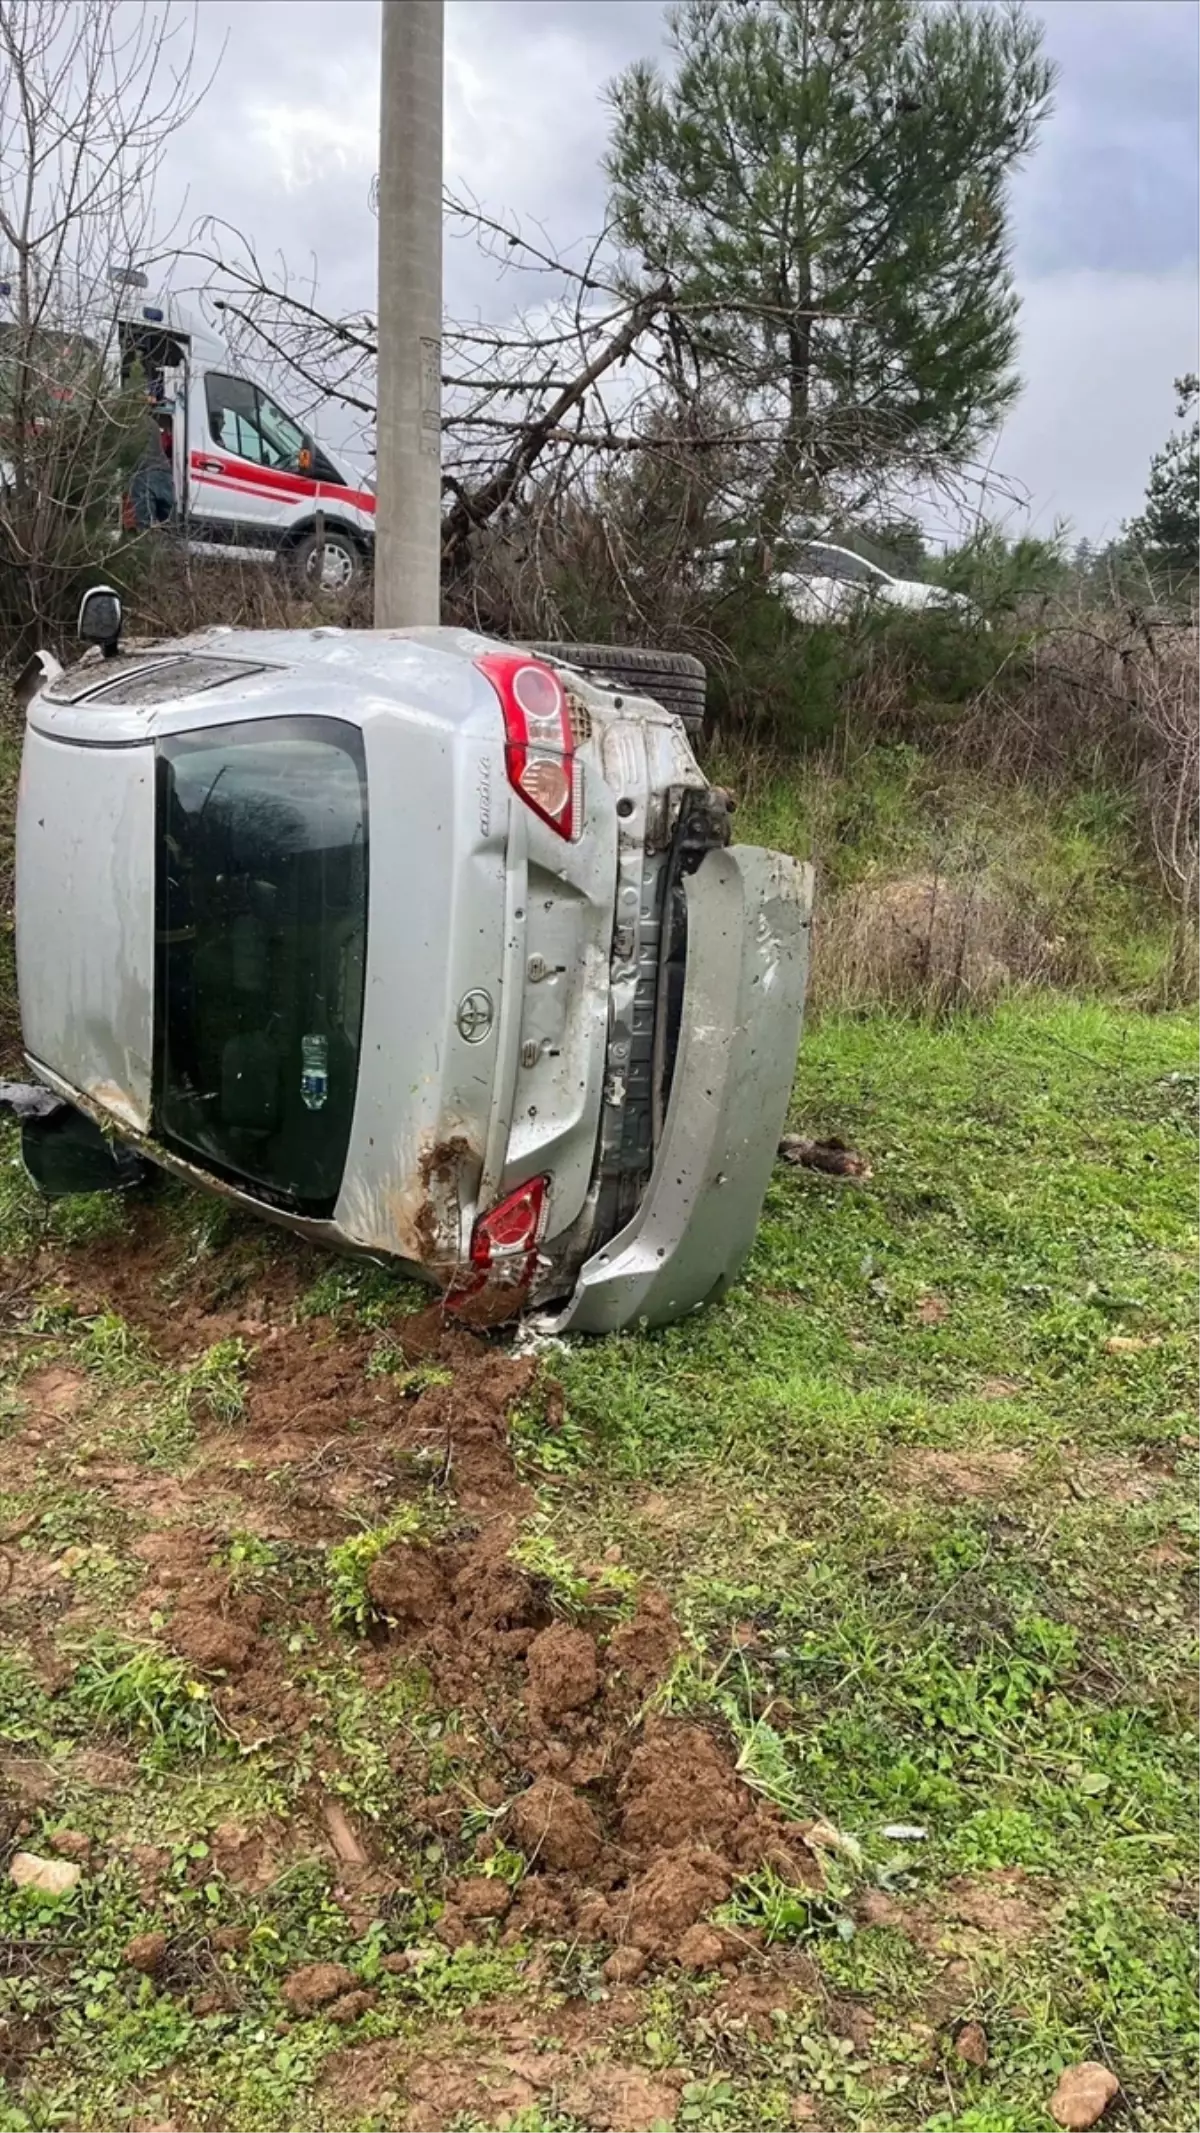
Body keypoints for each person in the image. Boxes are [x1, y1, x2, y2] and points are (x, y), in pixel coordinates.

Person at [129, 392, 176, 528]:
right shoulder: (153, 424)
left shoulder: (130, 423)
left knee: (144, 526)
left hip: (144, 475)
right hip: (164, 474)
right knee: (168, 525)